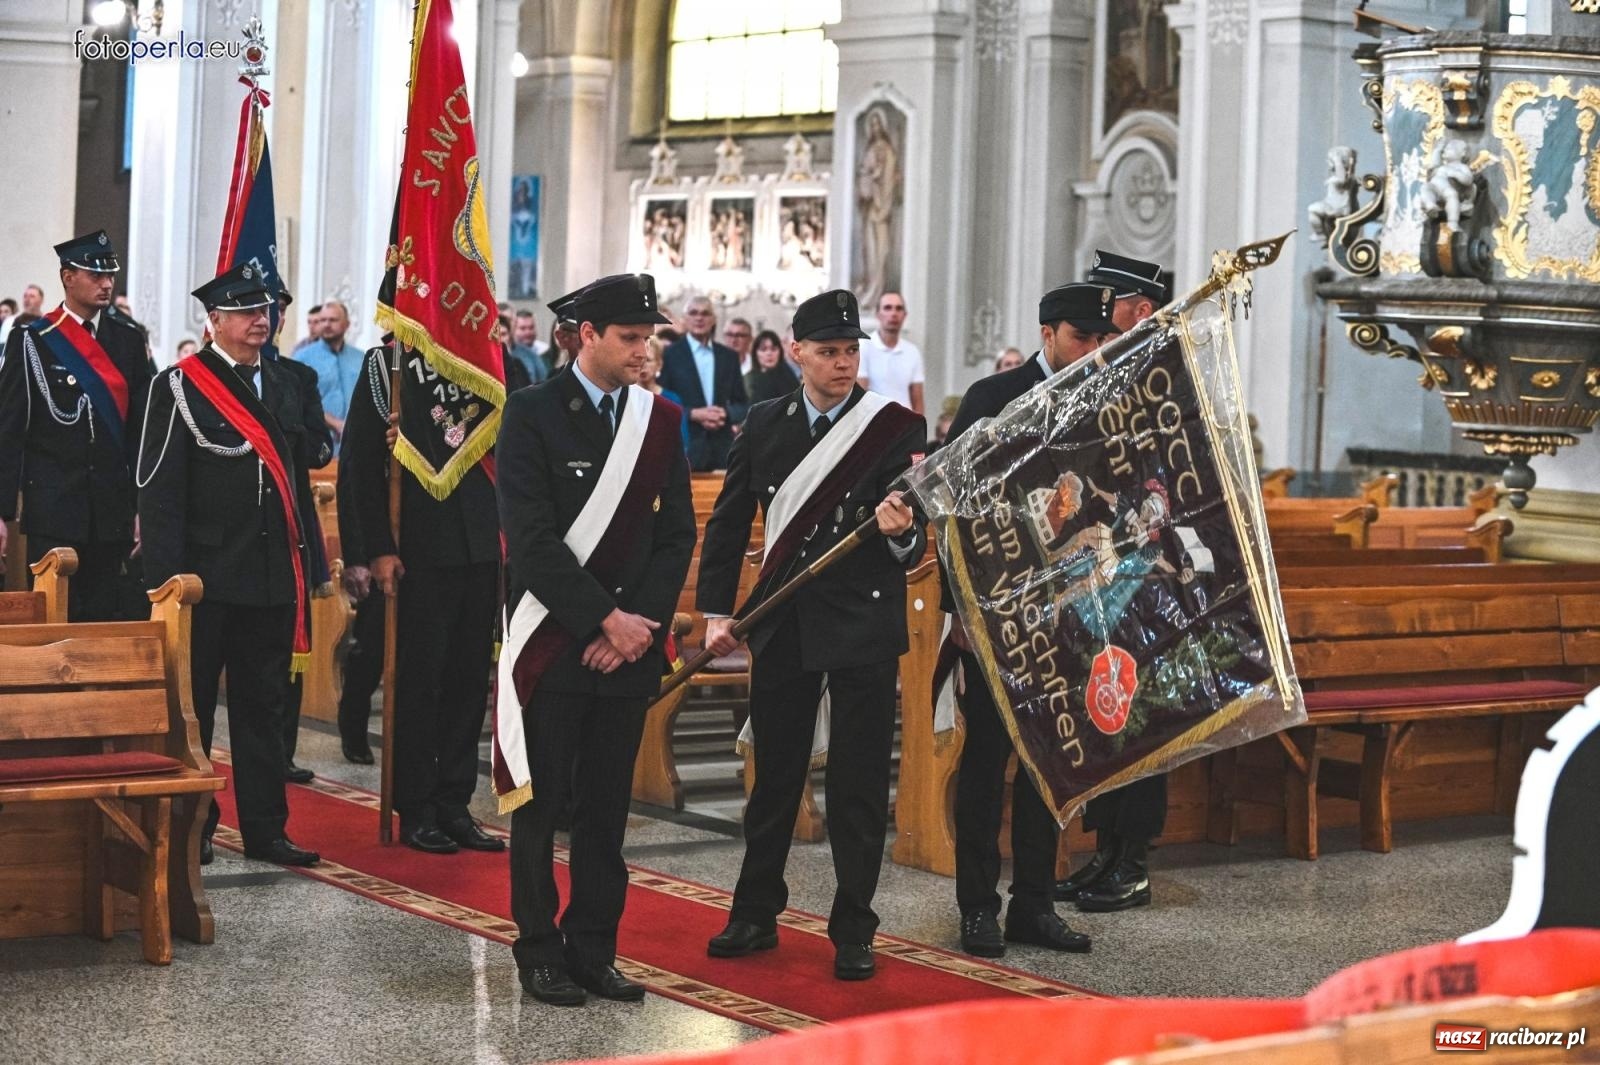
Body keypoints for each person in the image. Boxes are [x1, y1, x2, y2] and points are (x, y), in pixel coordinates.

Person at [698, 288, 926, 982]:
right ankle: (755, 910)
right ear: (796, 351)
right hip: (787, 617)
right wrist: (716, 612)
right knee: (776, 775)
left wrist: (902, 532)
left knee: (859, 784)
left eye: (851, 351)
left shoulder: (892, 427)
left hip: (863, 621)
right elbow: (730, 522)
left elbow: (914, 539)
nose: (843, 363)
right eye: (829, 351)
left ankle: (854, 926)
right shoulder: (765, 422)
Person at [495, 273, 694, 1006]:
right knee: (540, 808)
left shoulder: (659, 420)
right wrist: (603, 619)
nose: (644, 351)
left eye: (649, 338)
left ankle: (594, 950)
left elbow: (676, 536)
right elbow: (532, 540)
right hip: (555, 644)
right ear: (588, 336)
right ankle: (539, 950)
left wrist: (635, 628)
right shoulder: (532, 412)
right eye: (630, 338)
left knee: (606, 813)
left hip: (627, 651)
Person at [943, 281, 1123, 958]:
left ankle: (1035, 904)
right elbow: (954, 509)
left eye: (1102, 339)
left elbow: (1110, 500)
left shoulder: (1100, 400)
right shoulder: (992, 398)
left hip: (1070, 611)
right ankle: (977, 906)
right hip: (997, 614)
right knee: (987, 763)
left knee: (1052, 762)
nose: (1093, 350)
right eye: (1082, 337)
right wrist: (961, 611)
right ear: (1048, 334)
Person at [136, 262, 320, 868]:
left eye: (264, 310)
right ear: (214, 321)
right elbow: (159, 491)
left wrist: (308, 566)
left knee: (263, 709)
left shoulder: (286, 384)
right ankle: (196, 827)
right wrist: (166, 584)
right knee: (194, 713)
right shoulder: (179, 386)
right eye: (244, 311)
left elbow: (296, 483)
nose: (259, 320)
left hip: (269, 576)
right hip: (204, 578)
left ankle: (267, 830)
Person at [338, 328, 505, 855]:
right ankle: (416, 805)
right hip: (418, 548)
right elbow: (360, 466)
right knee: (419, 683)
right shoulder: (386, 365)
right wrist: (376, 549)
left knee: (468, 684)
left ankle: (455, 803)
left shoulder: (487, 358)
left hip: (480, 546)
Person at [1055, 250, 1171, 914]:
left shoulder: (1158, 375)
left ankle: (1133, 861)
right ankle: (1105, 852)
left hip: (1150, 579)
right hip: (1104, 572)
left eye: (1113, 303)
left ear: (1141, 309)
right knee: (1108, 710)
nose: (1102, 314)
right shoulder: (1109, 373)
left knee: (1141, 718)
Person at [0, 231, 152, 621]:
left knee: (103, 626)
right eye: (95, 275)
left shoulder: (128, 340)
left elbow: (141, 431)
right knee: (52, 623)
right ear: (68, 277)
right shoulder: (32, 340)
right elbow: (9, 429)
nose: (106, 283)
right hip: (54, 509)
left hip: (111, 513)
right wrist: (2, 512)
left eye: (110, 275)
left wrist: (143, 507)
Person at [267, 286, 335, 786]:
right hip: (233, 539)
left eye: (275, 309)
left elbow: (319, 448)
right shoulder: (206, 379)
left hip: (290, 527)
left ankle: (282, 753)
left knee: (289, 651)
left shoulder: (297, 376)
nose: (267, 317)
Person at [659, 296, 749, 471]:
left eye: (705, 313)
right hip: (685, 447)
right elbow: (662, 402)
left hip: (722, 449)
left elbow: (742, 404)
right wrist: (692, 414)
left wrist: (725, 413)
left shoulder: (728, 357)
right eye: (693, 313)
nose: (699, 318)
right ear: (684, 319)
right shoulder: (669, 355)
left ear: (714, 319)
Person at [296, 299, 361, 440]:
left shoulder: (361, 358)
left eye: (333, 320)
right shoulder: (302, 358)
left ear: (347, 324)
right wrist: (336, 424)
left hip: (356, 440)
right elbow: (299, 401)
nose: (326, 324)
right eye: (322, 320)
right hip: (318, 441)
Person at [858, 292, 925, 415]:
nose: (893, 313)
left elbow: (917, 399)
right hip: (875, 420)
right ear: (878, 314)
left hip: (905, 422)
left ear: (904, 315)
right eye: (887, 308)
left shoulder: (912, 352)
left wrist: (920, 425)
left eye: (899, 308)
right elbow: (860, 395)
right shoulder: (863, 347)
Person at [642, 334, 690, 452]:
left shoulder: (671, 399)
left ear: (659, 365)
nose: (643, 365)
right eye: (640, 359)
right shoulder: (624, 395)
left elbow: (682, 441)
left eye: (648, 360)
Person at [743, 328, 799, 406]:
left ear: (780, 351)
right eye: (763, 349)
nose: (769, 353)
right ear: (755, 353)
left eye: (773, 349)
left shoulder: (789, 375)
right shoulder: (749, 380)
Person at [510, 309, 551, 384]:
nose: (528, 332)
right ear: (513, 329)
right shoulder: (510, 353)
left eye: (531, 327)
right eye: (523, 328)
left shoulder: (546, 350)